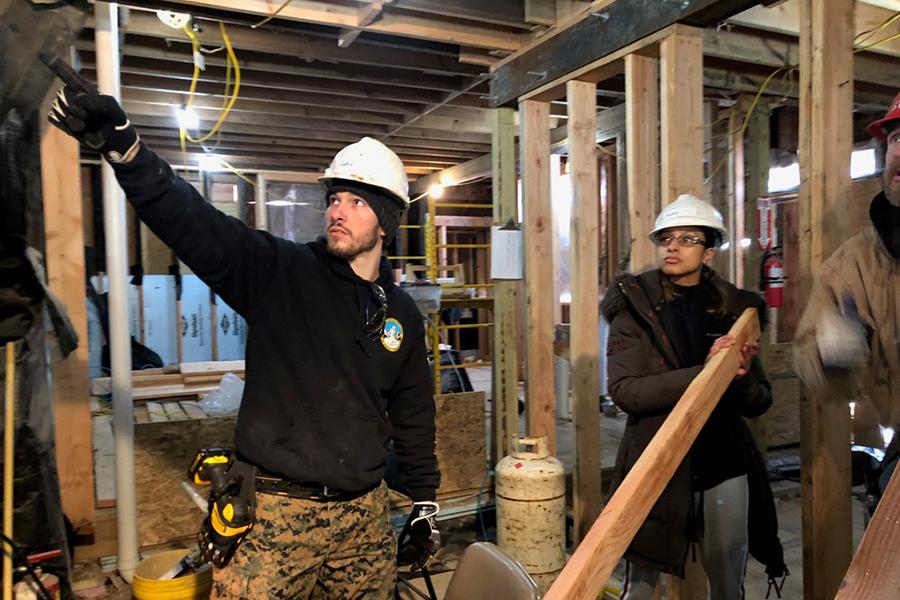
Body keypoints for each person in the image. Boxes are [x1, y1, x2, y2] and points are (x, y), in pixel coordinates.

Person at [47, 72, 440, 599]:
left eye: (356, 202)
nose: (337, 210)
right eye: (334, 198)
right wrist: (127, 151)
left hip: (363, 520)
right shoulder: (282, 273)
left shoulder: (402, 315)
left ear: (386, 220)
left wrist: (424, 504)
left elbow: (413, 412)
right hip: (275, 518)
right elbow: (196, 224)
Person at [600, 195, 787, 599]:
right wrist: (706, 373)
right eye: (666, 238)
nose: (673, 246)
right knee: (640, 590)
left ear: (708, 251)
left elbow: (759, 401)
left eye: (687, 238)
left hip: (723, 462)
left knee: (727, 587)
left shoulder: (736, 311)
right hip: (656, 460)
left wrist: (734, 378)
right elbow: (625, 392)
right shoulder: (635, 306)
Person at [794, 92, 900, 497]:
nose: (899, 152)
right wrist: (831, 351)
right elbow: (810, 358)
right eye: (894, 139)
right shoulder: (854, 263)